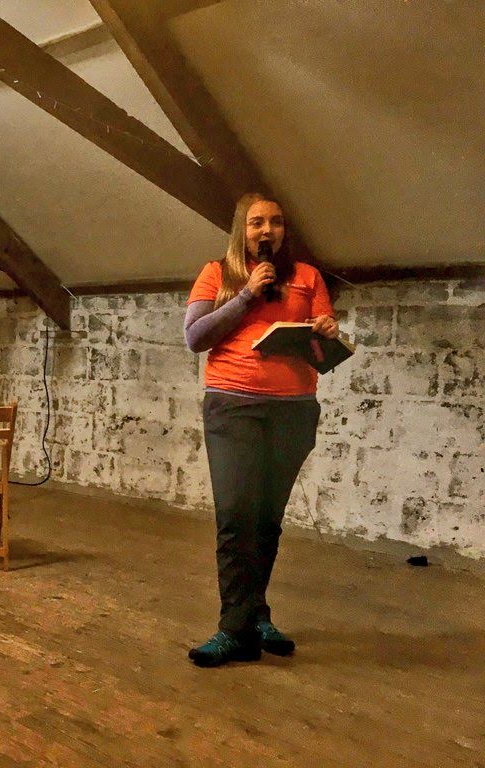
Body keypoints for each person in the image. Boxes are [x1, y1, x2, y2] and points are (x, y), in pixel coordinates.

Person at [183, 192, 338, 668]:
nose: (266, 230)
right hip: (234, 408)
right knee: (236, 517)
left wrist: (325, 335)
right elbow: (195, 337)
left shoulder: (308, 278)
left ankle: (255, 613)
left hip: (292, 412)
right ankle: (235, 630)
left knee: (266, 520)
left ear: (284, 230)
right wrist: (248, 293)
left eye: (275, 222)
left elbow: (324, 361)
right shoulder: (218, 273)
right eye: (255, 223)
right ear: (241, 231)